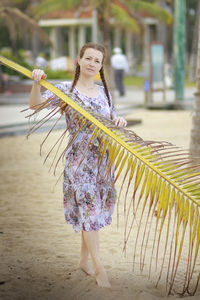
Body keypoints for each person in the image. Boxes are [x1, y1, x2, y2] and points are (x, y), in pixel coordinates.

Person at [29, 42, 127, 288]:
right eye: (89, 58)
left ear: (102, 66)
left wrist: (118, 119)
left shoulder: (105, 93)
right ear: (79, 60)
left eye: (97, 60)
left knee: (91, 213)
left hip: (103, 162)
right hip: (79, 161)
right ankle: (99, 268)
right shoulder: (66, 90)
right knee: (89, 211)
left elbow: (110, 120)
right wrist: (36, 83)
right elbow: (35, 105)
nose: (92, 64)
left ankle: (84, 260)